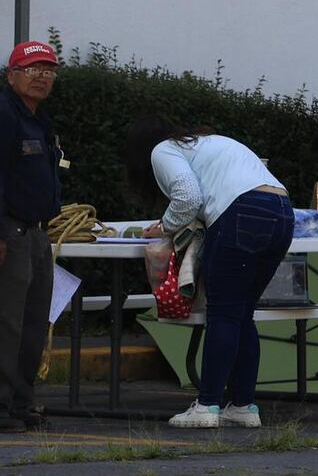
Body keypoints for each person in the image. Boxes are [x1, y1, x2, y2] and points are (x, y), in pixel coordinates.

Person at [126, 117, 294, 428]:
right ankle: (243, 406)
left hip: (242, 212)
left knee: (224, 315)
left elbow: (189, 197)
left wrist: (165, 226)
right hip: (283, 212)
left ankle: (207, 406)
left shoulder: (162, 150)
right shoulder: (209, 143)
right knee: (242, 315)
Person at [0, 41, 62, 433]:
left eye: (49, 70)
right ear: (11, 74)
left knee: (32, 324)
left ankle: (18, 403)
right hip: (8, 232)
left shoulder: (40, 120)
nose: (42, 77)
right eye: (32, 69)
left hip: (36, 235)